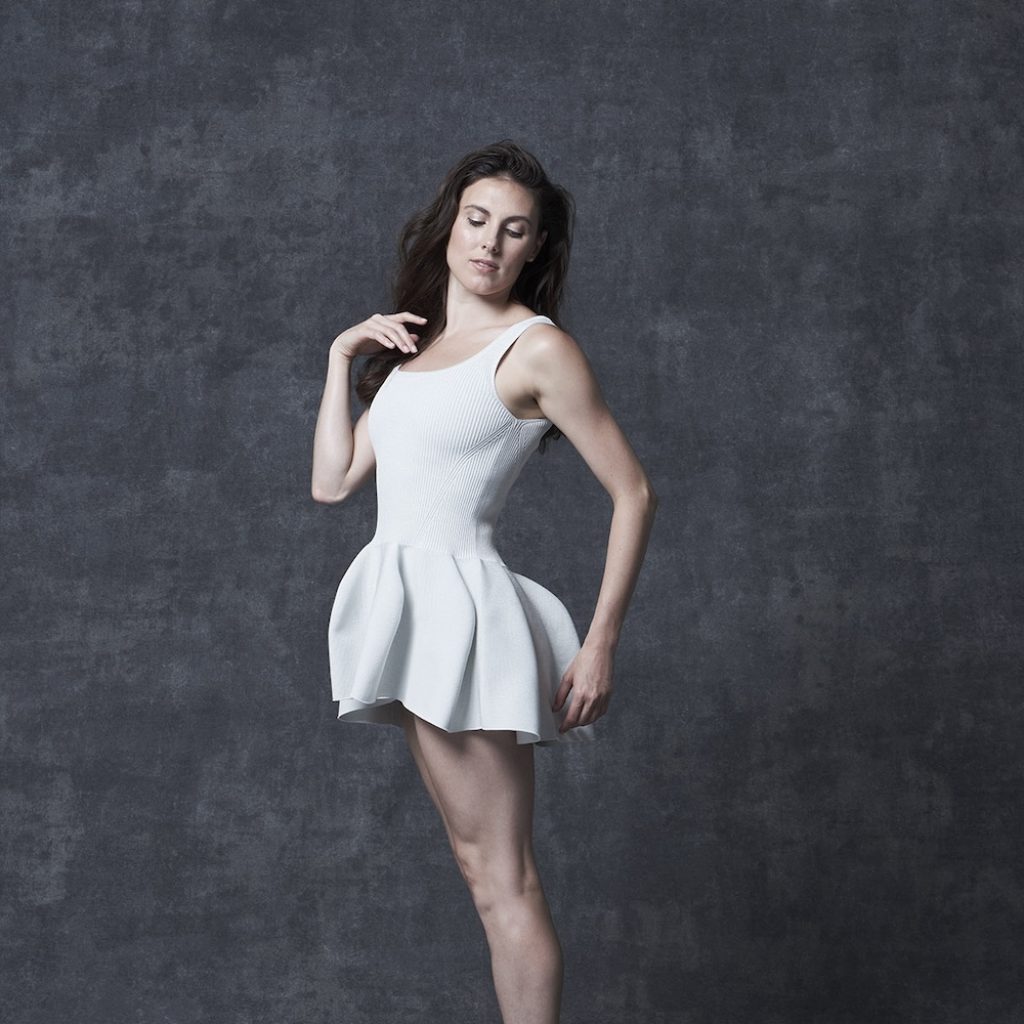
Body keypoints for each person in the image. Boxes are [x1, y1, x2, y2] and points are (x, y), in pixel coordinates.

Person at [311, 139, 657, 1024]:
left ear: (534, 248)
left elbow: (633, 491)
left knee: (503, 877)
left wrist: (600, 643)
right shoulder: (417, 346)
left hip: (462, 622)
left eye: (514, 232)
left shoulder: (537, 349)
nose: (489, 244)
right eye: (476, 221)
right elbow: (334, 481)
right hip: (412, 612)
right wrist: (341, 356)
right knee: (481, 872)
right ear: (451, 223)